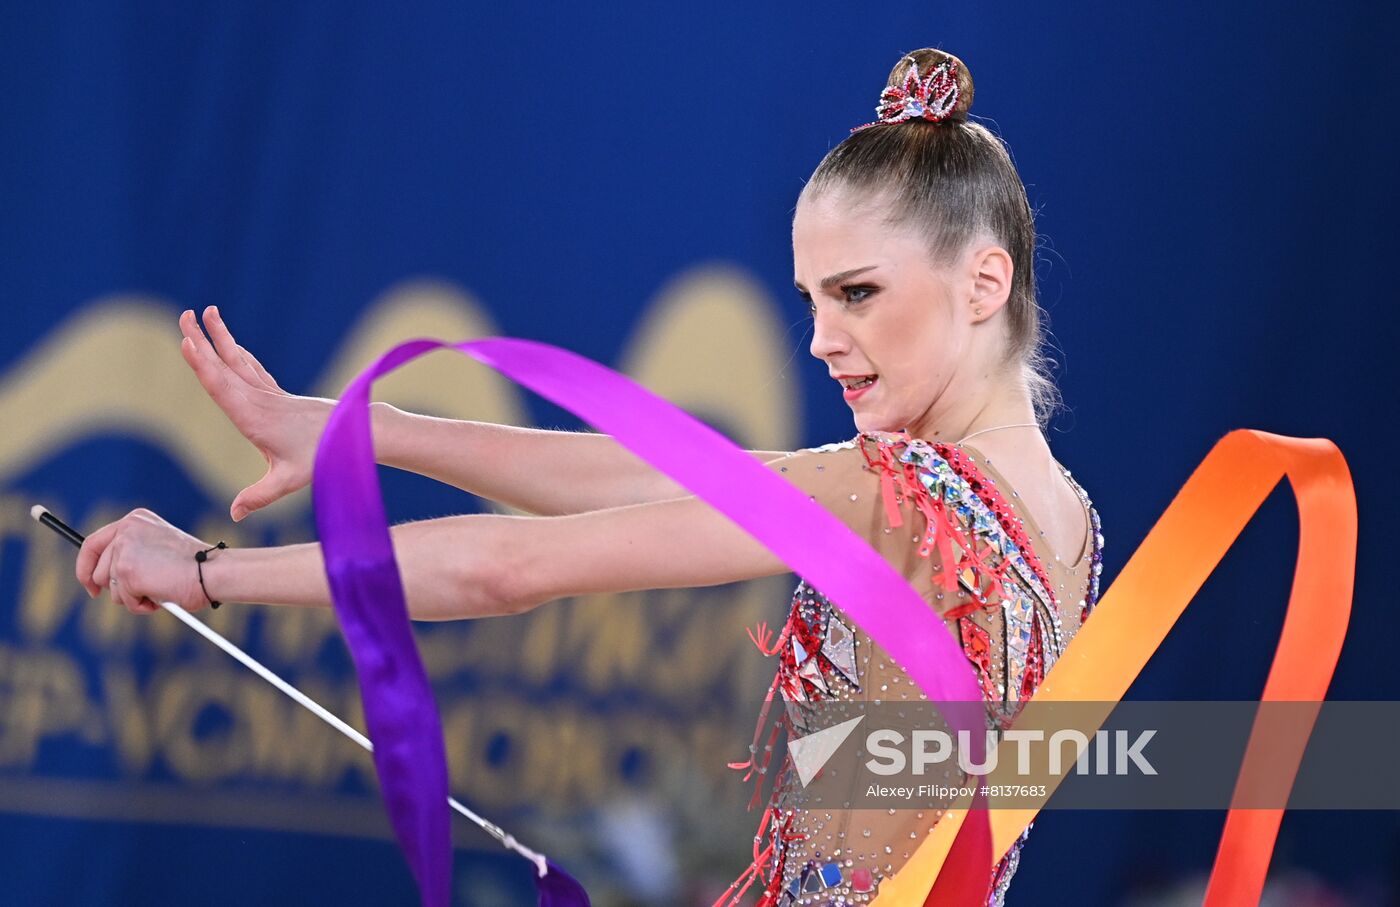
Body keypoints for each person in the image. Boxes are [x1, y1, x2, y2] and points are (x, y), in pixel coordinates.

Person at [73, 47, 1101, 907]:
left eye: (858, 293)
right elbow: (657, 473)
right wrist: (363, 431)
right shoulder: (1063, 516)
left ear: (982, 281)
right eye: (811, 300)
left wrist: (207, 574)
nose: (823, 340)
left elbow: (506, 569)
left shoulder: (900, 493)